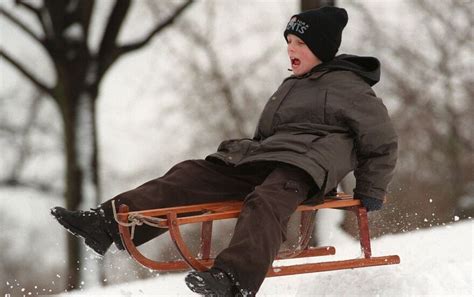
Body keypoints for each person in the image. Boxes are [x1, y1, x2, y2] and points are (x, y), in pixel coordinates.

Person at [51, 6, 398, 297]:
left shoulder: (350, 87)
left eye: (301, 43)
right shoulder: (291, 85)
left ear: (322, 47)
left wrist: (370, 190)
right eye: (289, 42)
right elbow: (266, 134)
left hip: (306, 168)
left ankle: (233, 280)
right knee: (192, 173)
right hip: (268, 157)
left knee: (265, 201)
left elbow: (380, 141)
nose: (291, 49)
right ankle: (108, 223)